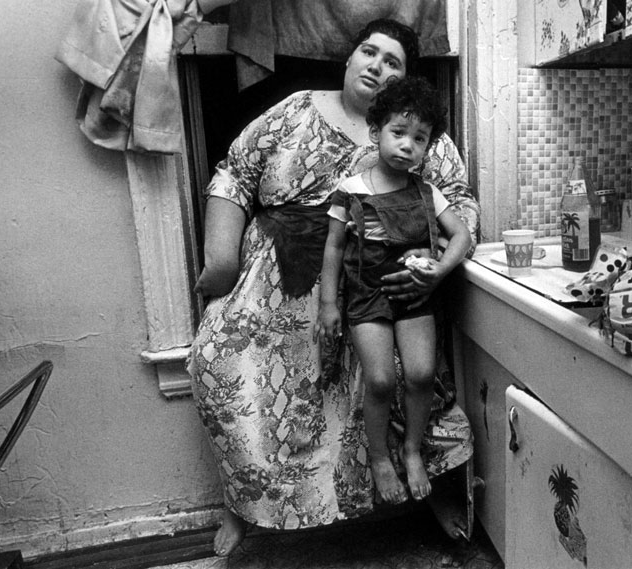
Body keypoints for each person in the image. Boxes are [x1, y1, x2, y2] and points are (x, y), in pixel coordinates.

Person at [186, 18, 480, 557]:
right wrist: (220, 258)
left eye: (393, 62)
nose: (378, 66)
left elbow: (457, 201)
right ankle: (244, 505)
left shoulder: (413, 131)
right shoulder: (297, 108)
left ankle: (428, 486)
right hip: (280, 282)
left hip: (383, 286)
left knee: (410, 375)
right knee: (217, 364)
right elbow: (235, 172)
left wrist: (431, 260)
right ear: (348, 58)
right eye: (370, 52)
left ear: (405, 80)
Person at [314, 77, 472, 505]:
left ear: (428, 146)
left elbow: (461, 236)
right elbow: (333, 246)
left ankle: (412, 450)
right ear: (376, 132)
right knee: (381, 381)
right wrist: (329, 303)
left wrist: (438, 270)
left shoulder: (428, 192)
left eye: (419, 139)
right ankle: (380, 457)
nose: (407, 146)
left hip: (417, 293)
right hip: (366, 295)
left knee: (421, 375)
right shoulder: (351, 190)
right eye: (398, 133)